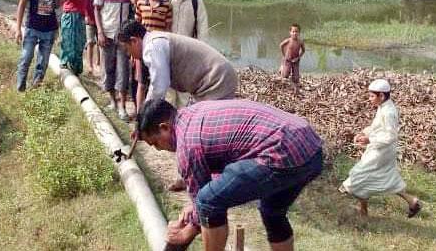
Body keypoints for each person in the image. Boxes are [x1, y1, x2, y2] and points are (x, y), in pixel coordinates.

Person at [137, 98, 324, 251]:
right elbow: (224, 168)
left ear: (164, 127)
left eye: (155, 143)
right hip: (310, 148)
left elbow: (205, 204)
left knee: (208, 202)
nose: (159, 150)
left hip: (282, 151)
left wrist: (184, 233)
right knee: (272, 211)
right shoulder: (193, 114)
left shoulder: (187, 145)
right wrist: (195, 210)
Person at [339, 79, 422, 218]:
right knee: (385, 177)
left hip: (382, 151)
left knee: (357, 175)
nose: (369, 99)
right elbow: (376, 127)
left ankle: (362, 210)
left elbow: (390, 136)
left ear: (381, 96)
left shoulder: (389, 112)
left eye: (372, 96)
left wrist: (369, 139)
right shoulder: (383, 107)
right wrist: (364, 133)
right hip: (379, 149)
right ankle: (412, 201)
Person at [118, 21, 237, 108]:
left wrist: (145, 114)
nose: (130, 55)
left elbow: (159, 86)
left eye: (127, 49)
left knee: (206, 129)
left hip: (217, 80)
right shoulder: (154, 40)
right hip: (215, 78)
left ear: (134, 41)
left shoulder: (152, 47)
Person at [94, 0, 133, 121]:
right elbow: (96, 9)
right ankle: (112, 101)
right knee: (107, 69)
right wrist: (100, 32)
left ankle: (123, 106)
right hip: (107, 35)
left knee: (123, 71)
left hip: (123, 37)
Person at [15, 0, 60, 92]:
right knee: (25, 58)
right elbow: (21, 5)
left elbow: (56, 4)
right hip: (32, 28)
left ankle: (35, 88)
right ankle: (20, 88)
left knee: (43, 62)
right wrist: (18, 29)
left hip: (49, 29)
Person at [59, 0, 91, 76]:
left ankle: (77, 68)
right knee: (67, 39)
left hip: (80, 14)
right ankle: (64, 63)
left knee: (79, 41)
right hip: (69, 13)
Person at [82, 0, 100, 75]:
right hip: (89, 16)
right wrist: (86, 16)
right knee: (90, 42)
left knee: (100, 42)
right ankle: (89, 65)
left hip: (99, 17)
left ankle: (98, 62)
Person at [279, 23, 305, 94]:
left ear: (299, 33)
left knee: (296, 78)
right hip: (288, 59)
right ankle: (282, 68)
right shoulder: (289, 40)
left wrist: (298, 57)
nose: (295, 33)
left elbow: (303, 51)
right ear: (290, 32)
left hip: (296, 60)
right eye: (293, 32)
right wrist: (284, 55)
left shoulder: (300, 42)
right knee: (285, 75)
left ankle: (295, 88)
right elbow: (281, 45)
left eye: (296, 32)